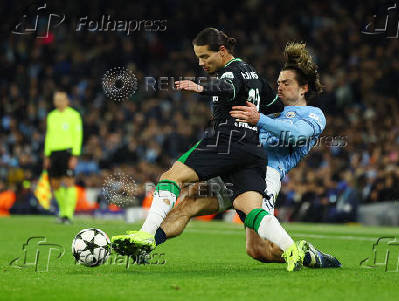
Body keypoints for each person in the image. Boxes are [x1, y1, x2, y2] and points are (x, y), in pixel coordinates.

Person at [112, 28, 309, 271]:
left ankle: (145, 234)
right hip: (252, 150)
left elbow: (227, 87)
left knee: (171, 177)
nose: (201, 62)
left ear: (223, 51)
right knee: (250, 211)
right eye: (198, 57)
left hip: (226, 140)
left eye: (205, 56)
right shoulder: (254, 75)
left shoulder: (232, 71)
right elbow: (275, 105)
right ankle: (292, 249)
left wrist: (201, 88)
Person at [140, 42, 341, 268]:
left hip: (264, 175)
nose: (280, 87)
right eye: (278, 83)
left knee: (257, 250)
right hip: (234, 166)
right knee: (189, 202)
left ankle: (307, 255)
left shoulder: (313, 115)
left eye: (286, 83)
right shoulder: (267, 108)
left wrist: (259, 120)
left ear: (304, 88)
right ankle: (144, 244)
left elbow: (295, 136)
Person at [44, 91, 82, 224]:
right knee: (55, 185)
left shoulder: (74, 115)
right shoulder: (51, 116)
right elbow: (48, 136)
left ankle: (68, 215)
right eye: (57, 99)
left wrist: (75, 155)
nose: (59, 102)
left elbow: (78, 136)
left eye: (61, 99)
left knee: (69, 182)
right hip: (54, 153)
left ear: (67, 101)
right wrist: (47, 155)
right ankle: (63, 212)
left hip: (67, 152)